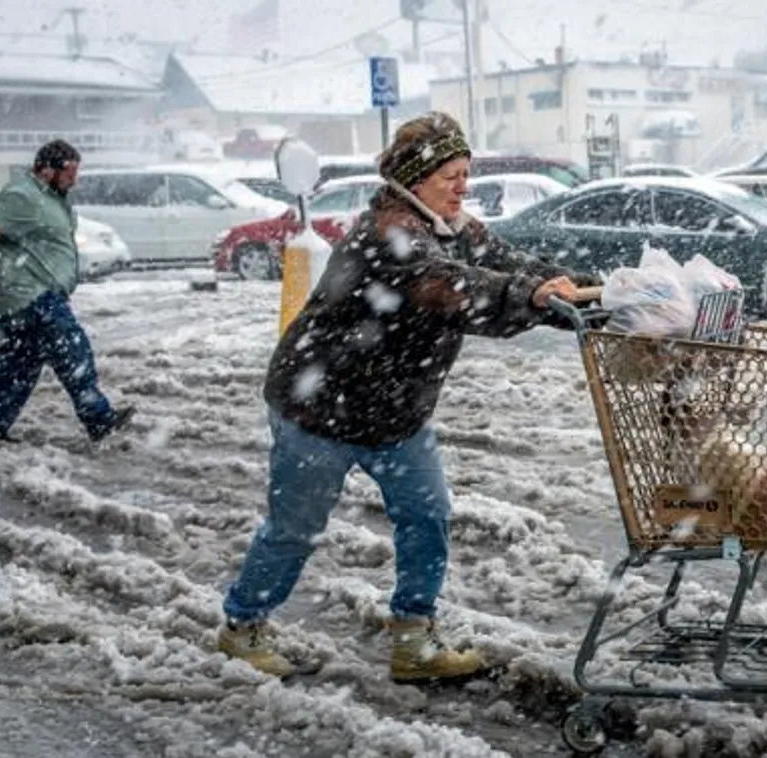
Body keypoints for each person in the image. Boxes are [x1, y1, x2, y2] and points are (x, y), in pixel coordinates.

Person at [216, 112, 599, 682]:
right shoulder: (389, 235)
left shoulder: (451, 225)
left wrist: (580, 291)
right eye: (451, 176)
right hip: (320, 409)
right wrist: (530, 297)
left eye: (466, 173)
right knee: (295, 528)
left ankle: (414, 641)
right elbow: (457, 290)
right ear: (417, 179)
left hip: (395, 412)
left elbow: (506, 264)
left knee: (426, 515)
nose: (463, 186)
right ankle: (243, 625)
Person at [0, 140, 135, 444]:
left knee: (19, 365)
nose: (74, 179)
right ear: (46, 170)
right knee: (72, 349)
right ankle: (99, 420)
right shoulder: (22, 195)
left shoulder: (52, 198)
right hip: (30, 295)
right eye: (70, 172)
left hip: (26, 297)